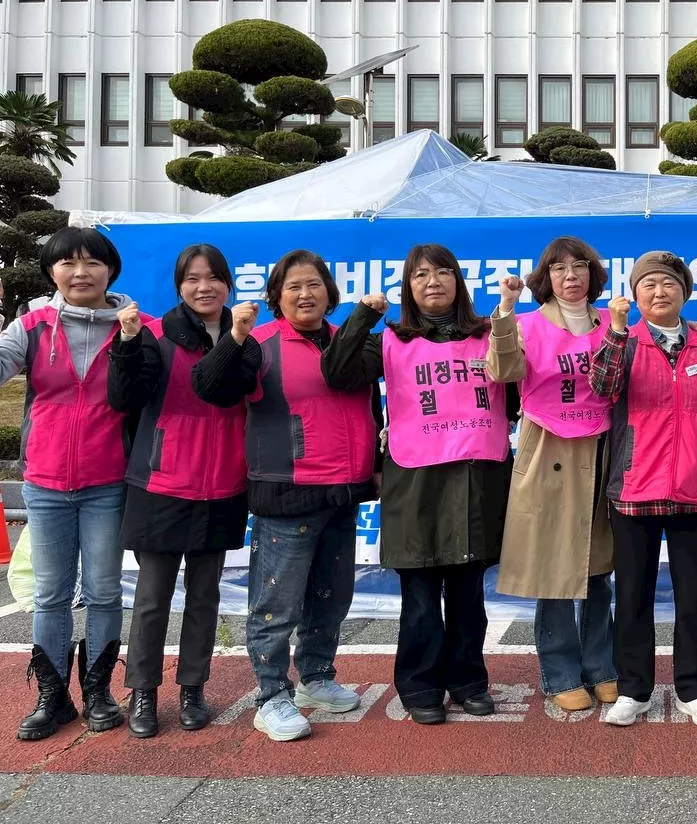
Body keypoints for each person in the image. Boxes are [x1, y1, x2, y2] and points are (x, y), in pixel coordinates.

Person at [192, 249, 379, 742]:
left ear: (330, 293)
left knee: (330, 596)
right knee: (276, 603)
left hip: (343, 491)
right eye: (293, 286)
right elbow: (211, 387)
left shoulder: (351, 340)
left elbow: (375, 410)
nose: (305, 294)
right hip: (286, 490)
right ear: (276, 295)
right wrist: (234, 337)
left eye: (314, 284)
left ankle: (316, 677)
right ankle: (271, 694)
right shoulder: (260, 343)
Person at [322, 243, 513, 725]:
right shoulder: (387, 337)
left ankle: (469, 680)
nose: (434, 281)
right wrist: (362, 315)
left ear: (459, 281)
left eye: (444, 271)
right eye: (421, 274)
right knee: (423, 594)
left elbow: (513, 399)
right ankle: (419, 684)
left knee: (469, 593)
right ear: (408, 285)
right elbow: (338, 373)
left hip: (476, 476)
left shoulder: (491, 335)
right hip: (416, 480)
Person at [588, 250, 697, 729]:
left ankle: (696, 690)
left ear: (684, 293)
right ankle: (633, 689)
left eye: (668, 284)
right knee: (632, 595)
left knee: (695, 596)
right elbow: (602, 386)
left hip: (694, 490)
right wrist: (614, 328)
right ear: (635, 295)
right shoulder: (624, 342)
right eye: (648, 285)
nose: (659, 292)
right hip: (635, 489)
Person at [107, 244, 251, 738]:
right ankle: (143, 692)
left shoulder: (244, 338)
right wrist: (125, 345)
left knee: (206, 596)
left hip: (224, 484)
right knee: (151, 598)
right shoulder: (153, 335)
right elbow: (123, 398)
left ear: (228, 284)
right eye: (192, 278)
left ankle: (193, 688)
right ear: (179, 285)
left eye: (213, 277)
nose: (203, 287)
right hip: (161, 481)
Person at [0, 227, 139, 740]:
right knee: (51, 594)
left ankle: (99, 692)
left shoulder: (136, 325)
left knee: (104, 592)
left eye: (91, 263)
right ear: (51, 272)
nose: (80, 272)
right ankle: (53, 696)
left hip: (110, 480)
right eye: (67, 263)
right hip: (45, 481)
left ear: (111, 270)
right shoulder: (32, 326)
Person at [488, 237, 618, 712]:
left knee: (600, 566)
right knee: (554, 568)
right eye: (559, 268)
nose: (570, 276)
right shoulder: (526, 324)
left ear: (592, 274)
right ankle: (560, 671)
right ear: (546, 278)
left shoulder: (612, 322)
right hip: (548, 449)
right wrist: (505, 308)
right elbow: (502, 372)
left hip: (603, 447)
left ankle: (602, 666)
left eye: (579, 266)